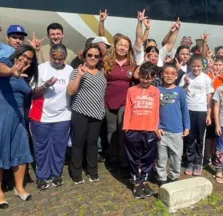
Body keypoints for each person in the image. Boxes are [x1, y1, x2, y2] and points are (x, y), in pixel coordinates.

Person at [0, 45, 37, 208]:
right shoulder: (4, 62)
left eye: (29, 58)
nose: (25, 59)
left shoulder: (25, 76)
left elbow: (26, 100)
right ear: (16, 54)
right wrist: (11, 71)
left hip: (16, 118)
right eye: (23, 55)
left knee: (21, 151)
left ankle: (19, 187)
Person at [28, 44, 73, 190]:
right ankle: (42, 176)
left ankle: (56, 174)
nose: (58, 61)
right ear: (50, 56)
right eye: (55, 58)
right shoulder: (41, 69)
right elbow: (32, 92)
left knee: (59, 147)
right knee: (41, 148)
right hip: (41, 115)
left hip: (63, 115)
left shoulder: (70, 70)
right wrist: (46, 85)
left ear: (65, 57)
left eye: (61, 58)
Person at [67, 45, 108, 184]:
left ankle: (92, 170)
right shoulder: (77, 70)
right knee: (78, 143)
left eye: (96, 56)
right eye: (90, 55)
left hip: (96, 113)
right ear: (85, 56)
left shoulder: (102, 72)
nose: (93, 58)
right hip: (81, 111)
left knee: (92, 143)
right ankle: (76, 171)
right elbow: (71, 91)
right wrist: (79, 75)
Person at [123, 62, 161, 198]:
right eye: (143, 77)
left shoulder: (156, 91)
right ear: (139, 76)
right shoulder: (131, 90)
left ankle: (144, 181)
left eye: (149, 78)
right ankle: (136, 183)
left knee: (148, 158)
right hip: (133, 129)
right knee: (134, 157)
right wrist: (126, 127)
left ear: (153, 78)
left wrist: (156, 127)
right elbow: (128, 109)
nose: (146, 80)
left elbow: (157, 110)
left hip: (150, 129)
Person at [102, 34, 136, 175]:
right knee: (111, 132)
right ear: (115, 46)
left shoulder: (132, 64)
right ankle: (113, 158)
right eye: (120, 45)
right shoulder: (106, 62)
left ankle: (123, 160)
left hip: (125, 102)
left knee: (122, 132)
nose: (122, 48)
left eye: (125, 46)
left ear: (129, 49)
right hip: (108, 101)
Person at [155, 63, 190, 185]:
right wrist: (157, 126)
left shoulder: (180, 91)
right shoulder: (157, 90)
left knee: (176, 157)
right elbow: (154, 112)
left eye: (172, 74)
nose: (169, 76)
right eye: (166, 73)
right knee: (161, 157)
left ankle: (175, 176)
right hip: (162, 131)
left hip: (177, 131)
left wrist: (187, 126)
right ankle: (162, 178)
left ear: (176, 76)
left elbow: (184, 109)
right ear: (162, 74)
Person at [180, 55, 214, 176]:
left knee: (200, 138)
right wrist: (185, 84)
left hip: (201, 111)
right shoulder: (186, 76)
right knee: (189, 138)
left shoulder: (206, 78)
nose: (196, 68)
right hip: (188, 110)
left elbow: (209, 97)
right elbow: (180, 92)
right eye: (193, 66)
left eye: (198, 66)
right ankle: (190, 162)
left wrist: (209, 115)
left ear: (202, 66)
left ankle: (198, 162)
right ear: (190, 66)